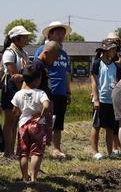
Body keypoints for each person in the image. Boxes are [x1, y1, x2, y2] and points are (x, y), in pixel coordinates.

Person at [34, 21, 72, 158]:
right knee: (44, 121)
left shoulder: (64, 54)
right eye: (57, 32)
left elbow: (67, 73)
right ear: (50, 34)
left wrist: (68, 91)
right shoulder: (42, 49)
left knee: (59, 121)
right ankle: (39, 147)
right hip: (47, 92)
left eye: (62, 33)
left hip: (61, 91)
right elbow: (36, 70)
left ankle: (56, 149)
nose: (61, 35)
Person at [11, 64, 50, 182]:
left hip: (23, 125)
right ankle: (33, 178)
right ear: (37, 80)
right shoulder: (40, 93)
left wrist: (19, 114)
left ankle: (24, 178)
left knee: (23, 153)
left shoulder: (18, 94)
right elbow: (46, 106)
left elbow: (15, 111)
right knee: (36, 152)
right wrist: (41, 115)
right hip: (37, 125)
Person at [1, 25, 31, 158]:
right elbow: (13, 75)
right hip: (11, 88)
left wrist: (24, 79)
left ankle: (12, 151)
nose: (27, 39)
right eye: (24, 37)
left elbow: (25, 73)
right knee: (9, 121)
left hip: (20, 87)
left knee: (16, 120)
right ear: (17, 38)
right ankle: (7, 151)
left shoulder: (23, 53)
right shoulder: (9, 53)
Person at [90, 37, 120, 160]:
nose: (114, 52)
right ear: (107, 50)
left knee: (109, 127)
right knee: (96, 126)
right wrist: (95, 98)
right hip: (100, 99)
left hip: (111, 100)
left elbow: (115, 81)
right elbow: (93, 81)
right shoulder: (97, 63)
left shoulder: (114, 65)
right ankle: (94, 151)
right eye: (113, 50)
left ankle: (110, 151)